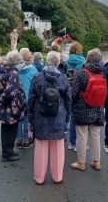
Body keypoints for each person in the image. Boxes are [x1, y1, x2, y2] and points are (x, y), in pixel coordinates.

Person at [28, 51, 72, 184]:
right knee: (58, 147)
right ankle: (57, 176)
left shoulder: (37, 77)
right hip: (58, 116)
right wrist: (67, 117)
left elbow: (31, 99)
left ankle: (39, 178)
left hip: (40, 116)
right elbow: (69, 99)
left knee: (40, 147)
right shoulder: (63, 78)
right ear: (58, 62)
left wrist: (30, 117)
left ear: (47, 61)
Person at [70, 48, 105, 171]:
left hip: (82, 108)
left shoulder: (81, 73)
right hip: (98, 108)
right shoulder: (103, 72)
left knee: (82, 135)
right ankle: (96, 161)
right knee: (96, 135)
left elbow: (73, 93)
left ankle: (81, 162)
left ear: (88, 58)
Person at [0, 51, 26, 162]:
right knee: (11, 130)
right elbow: (11, 92)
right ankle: (7, 154)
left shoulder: (2, 70)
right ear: (16, 61)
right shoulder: (13, 73)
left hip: (4, 106)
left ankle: (7, 150)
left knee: (5, 128)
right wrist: (2, 99)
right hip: (12, 107)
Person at [16, 48, 39, 148]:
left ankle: (19, 139)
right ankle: (26, 140)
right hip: (29, 98)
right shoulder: (33, 70)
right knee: (27, 119)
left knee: (18, 119)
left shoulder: (16, 69)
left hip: (17, 98)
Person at [65, 42, 86, 151]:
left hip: (69, 90)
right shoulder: (83, 61)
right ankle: (80, 143)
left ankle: (72, 143)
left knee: (73, 116)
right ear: (79, 50)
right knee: (82, 117)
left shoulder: (67, 61)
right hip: (81, 91)